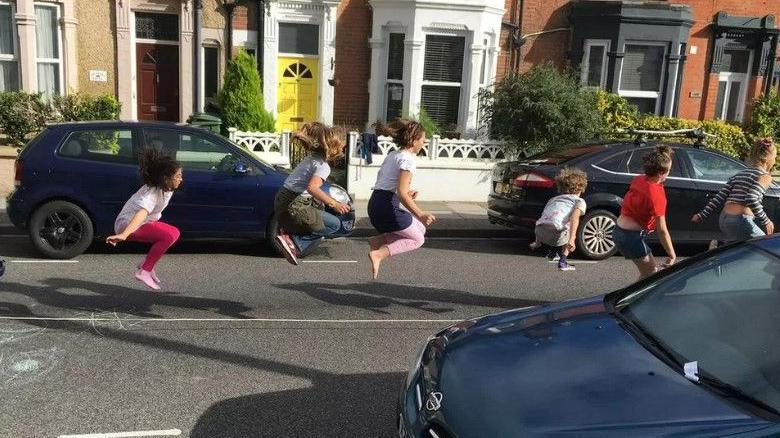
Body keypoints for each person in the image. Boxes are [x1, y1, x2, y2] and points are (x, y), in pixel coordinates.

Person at [367, 118, 436, 280]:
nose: (423, 144)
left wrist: (404, 193)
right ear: (413, 140)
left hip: (376, 204)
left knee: (420, 229)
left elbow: (392, 186)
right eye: (422, 141)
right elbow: (402, 193)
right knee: (418, 239)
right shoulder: (408, 160)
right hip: (386, 208)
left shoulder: (394, 154)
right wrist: (421, 214)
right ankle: (378, 254)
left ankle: (378, 240)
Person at [274, 122, 351, 265]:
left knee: (318, 211)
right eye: (342, 146)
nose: (343, 149)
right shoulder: (323, 166)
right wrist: (334, 204)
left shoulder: (311, 158)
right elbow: (312, 188)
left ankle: (290, 233)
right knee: (334, 225)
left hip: (282, 201)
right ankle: (295, 242)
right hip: (294, 205)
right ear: (334, 147)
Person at [106, 148, 183, 290]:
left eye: (181, 175)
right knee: (169, 235)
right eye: (177, 176)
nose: (180, 179)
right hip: (128, 224)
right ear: (166, 178)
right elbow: (141, 213)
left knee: (175, 233)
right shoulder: (152, 193)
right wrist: (124, 234)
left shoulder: (166, 188)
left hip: (142, 222)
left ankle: (146, 265)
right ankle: (145, 271)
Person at [692, 138, 776, 243]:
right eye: (775, 157)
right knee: (765, 244)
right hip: (739, 219)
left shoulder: (740, 173)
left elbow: (720, 197)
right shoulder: (764, 176)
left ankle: (719, 247)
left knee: (738, 250)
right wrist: (766, 221)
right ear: (769, 158)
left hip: (724, 219)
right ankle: (718, 247)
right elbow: (752, 197)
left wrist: (702, 214)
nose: (775, 161)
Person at [612, 145, 677, 280]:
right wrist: (672, 254)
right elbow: (662, 230)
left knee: (646, 275)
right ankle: (627, 300)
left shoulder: (639, 179)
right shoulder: (656, 195)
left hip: (619, 230)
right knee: (652, 274)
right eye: (669, 170)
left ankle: (630, 299)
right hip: (631, 237)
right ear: (661, 173)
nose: (669, 173)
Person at [529, 168, 588, 271]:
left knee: (554, 220)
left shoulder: (553, 199)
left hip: (539, 232)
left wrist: (537, 242)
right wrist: (572, 239)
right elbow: (574, 218)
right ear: (580, 187)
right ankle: (563, 262)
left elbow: (544, 217)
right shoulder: (579, 201)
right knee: (569, 226)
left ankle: (551, 252)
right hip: (557, 235)